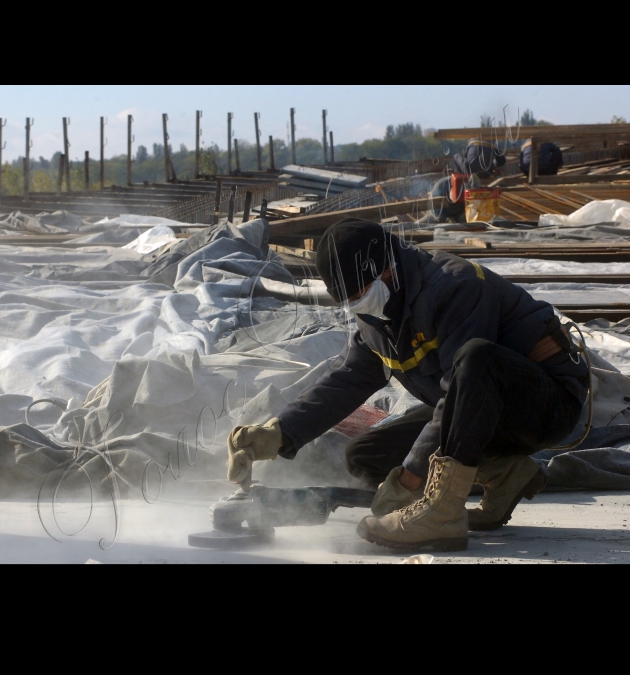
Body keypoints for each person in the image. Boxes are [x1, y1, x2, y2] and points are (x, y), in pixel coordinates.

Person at [227, 218, 588, 553]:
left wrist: (412, 479)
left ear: (388, 267)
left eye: (361, 291)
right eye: (348, 299)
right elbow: (346, 380)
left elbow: (468, 384)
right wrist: (279, 433)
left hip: (547, 404)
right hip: (482, 415)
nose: (357, 304)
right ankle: (507, 473)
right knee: (365, 456)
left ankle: (442, 517)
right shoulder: (376, 317)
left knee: (475, 357)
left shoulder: (454, 286)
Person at [429, 139, 508, 223]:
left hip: (468, 172)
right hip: (486, 172)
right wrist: (494, 166)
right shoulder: (494, 142)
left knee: (456, 156)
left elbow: (466, 158)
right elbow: (502, 161)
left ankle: (464, 174)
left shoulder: (472, 140)